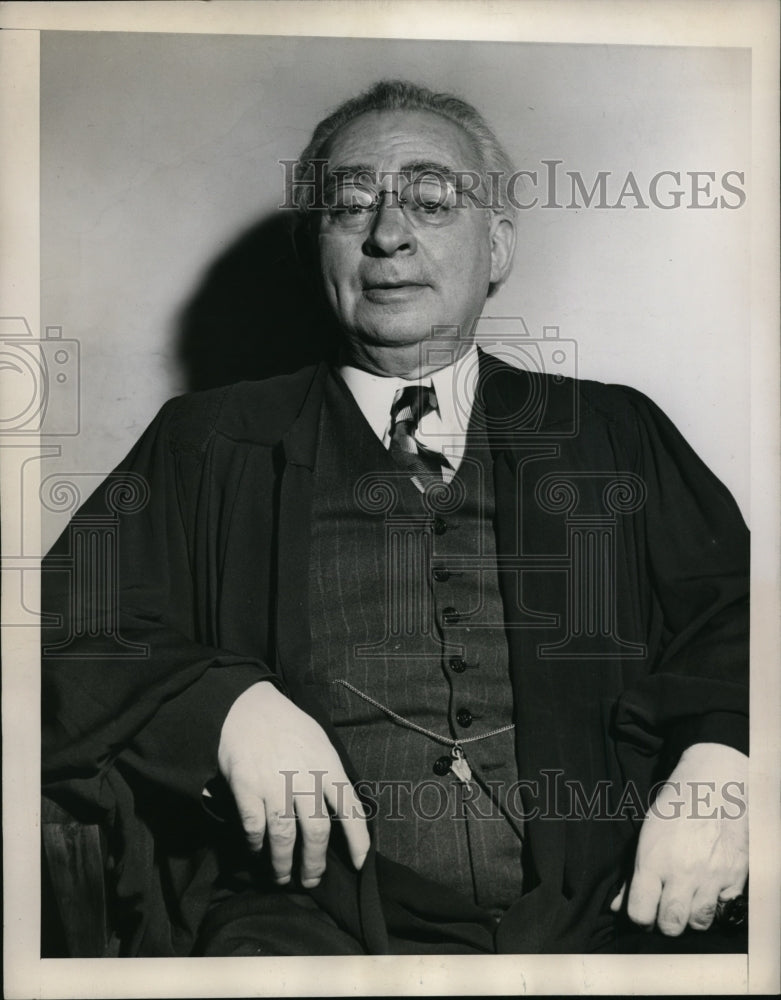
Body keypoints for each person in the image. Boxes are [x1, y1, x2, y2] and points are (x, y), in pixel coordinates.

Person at [42, 80, 749, 956]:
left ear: (497, 245)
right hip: (309, 922)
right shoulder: (209, 442)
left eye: (430, 200)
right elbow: (56, 627)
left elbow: (740, 618)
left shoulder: (612, 432)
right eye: (348, 208)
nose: (387, 236)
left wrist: (726, 763)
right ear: (317, 250)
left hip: (614, 907)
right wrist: (220, 703)